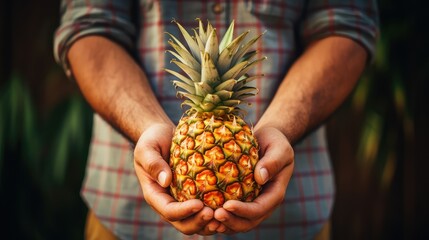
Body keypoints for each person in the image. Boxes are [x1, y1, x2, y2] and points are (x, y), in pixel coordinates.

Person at [54, 0, 378, 239]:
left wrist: (280, 127)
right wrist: (146, 127)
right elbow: (88, 26)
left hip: (291, 221)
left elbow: (346, 25)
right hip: (125, 220)